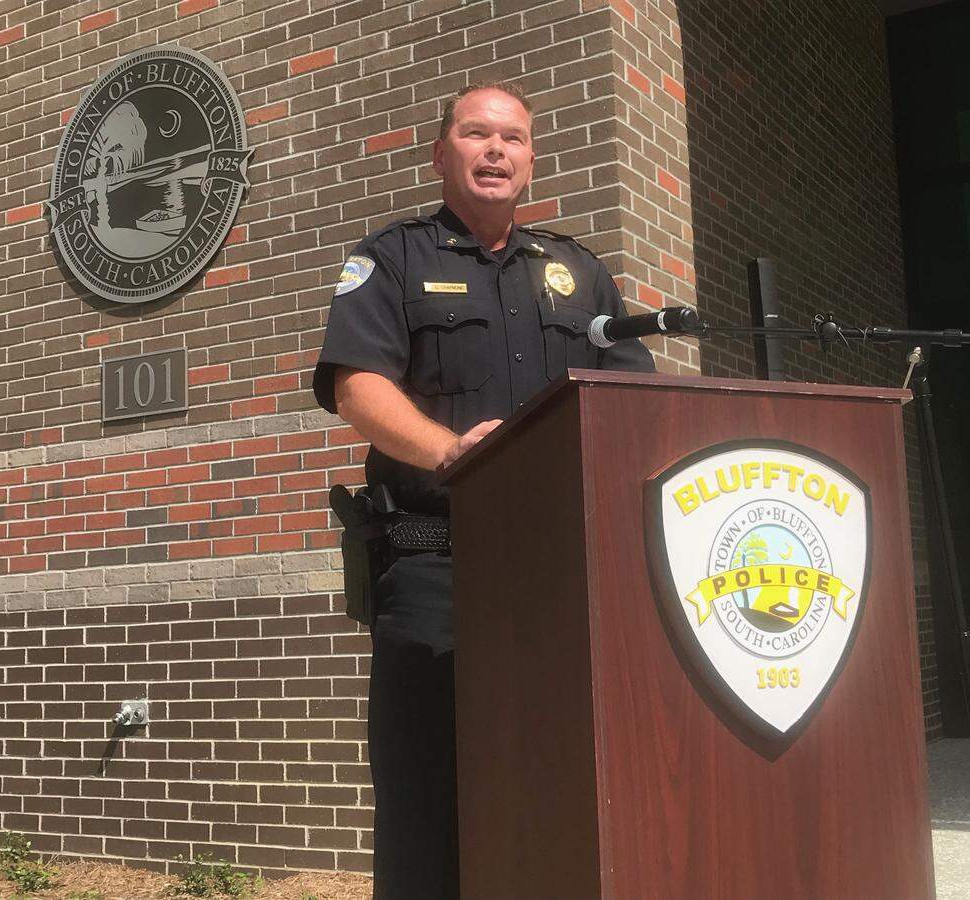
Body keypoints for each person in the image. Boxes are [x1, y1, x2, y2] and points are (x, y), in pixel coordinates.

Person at [311, 81, 656, 899]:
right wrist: (451, 453)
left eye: (514, 139)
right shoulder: (393, 258)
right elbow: (359, 388)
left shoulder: (578, 271)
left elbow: (629, 405)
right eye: (476, 134)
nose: (497, 150)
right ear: (442, 154)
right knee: (428, 799)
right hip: (436, 569)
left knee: (555, 781)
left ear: (532, 162)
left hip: (558, 573)